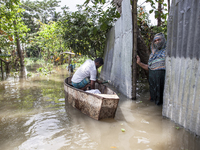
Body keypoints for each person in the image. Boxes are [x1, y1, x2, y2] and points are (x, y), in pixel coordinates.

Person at [136, 33, 166, 105]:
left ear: (163, 40)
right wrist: (139, 63)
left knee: (161, 101)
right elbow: (149, 68)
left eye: (159, 40)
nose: (157, 42)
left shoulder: (167, 52)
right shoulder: (152, 55)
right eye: (155, 41)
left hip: (162, 82)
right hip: (153, 82)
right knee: (153, 101)